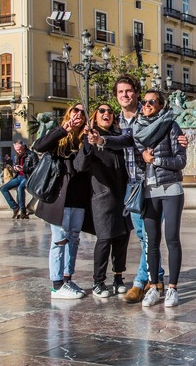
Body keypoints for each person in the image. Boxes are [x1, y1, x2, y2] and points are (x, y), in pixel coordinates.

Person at [95, 75, 188, 304]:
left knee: (153, 237)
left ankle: (140, 282)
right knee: (145, 235)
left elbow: (174, 148)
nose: (125, 95)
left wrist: (179, 143)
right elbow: (121, 139)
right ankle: (154, 279)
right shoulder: (117, 121)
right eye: (120, 92)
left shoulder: (154, 119)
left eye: (128, 91)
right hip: (133, 185)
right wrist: (100, 140)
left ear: (136, 93)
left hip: (156, 183)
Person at [134, 90, 187, 308]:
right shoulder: (138, 129)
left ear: (161, 105)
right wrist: (143, 159)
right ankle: (154, 287)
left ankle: (173, 288)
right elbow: (137, 161)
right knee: (151, 241)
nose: (146, 105)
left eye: (151, 102)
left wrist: (155, 160)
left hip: (171, 188)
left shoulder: (171, 126)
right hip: (148, 190)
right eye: (144, 102)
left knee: (172, 238)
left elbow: (180, 161)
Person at [33, 102, 90, 300]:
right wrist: (62, 129)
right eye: (76, 110)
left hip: (78, 196)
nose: (79, 115)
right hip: (58, 196)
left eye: (83, 112)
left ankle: (67, 278)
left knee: (74, 239)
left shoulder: (85, 138)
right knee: (59, 240)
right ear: (69, 113)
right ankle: (56, 285)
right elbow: (38, 146)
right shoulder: (59, 136)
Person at [77, 103, 131, 298]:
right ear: (95, 116)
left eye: (109, 111)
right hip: (102, 197)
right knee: (105, 239)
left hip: (123, 194)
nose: (106, 113)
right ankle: (98, 281)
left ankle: (118, 277)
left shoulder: (118, 136)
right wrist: (87, 143)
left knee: (122, 237)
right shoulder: (90, 137)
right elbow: (80, 165)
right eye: (102, 111)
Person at [0, 140, 38, 219]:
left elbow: (36, 168)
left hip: (28, 177)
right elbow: (15, 167)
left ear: (23, 146)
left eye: (19, 149)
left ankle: (23, 211)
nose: (18, 151)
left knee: (20, 188)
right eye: (16, 150)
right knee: (3, 188)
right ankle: (15, 207)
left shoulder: (32, 155)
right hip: (18, 177)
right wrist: (15, 168)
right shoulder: (16, 156)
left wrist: (24, 169)